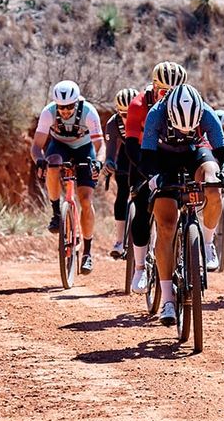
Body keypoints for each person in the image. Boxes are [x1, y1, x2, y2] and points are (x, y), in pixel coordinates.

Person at [142, 84, 224, 326]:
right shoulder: (156, 114)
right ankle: (168, 300)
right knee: (167, 224)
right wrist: (154, 178)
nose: (185, 130)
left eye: (190, 126)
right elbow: (147, 158)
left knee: (213, 184)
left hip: (195, 152)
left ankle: (207, 241)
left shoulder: (206, 113)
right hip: (163, 157)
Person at [122, 61, 188, 294]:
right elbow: (130, 144)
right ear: (153, 88)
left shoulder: (186, 103)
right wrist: (147, 174)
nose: (167, 97)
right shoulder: (139, 103)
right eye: (163, 92)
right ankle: (140, 266)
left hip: (171, 154)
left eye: (173, 93)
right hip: (142, 156)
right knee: (141, 207)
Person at [30, 80, 106, 275]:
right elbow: (36, 146)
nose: (65, 111)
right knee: (53, 163)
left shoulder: (89, 112)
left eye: (69, 107)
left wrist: (98, 162)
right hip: (59, 146)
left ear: (77, 103)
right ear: (56, 105)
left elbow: (100, 145)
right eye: (61, 107)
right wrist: (40, 161)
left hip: (84, 148)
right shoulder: (48, 113)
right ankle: (56, 213)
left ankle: (88, 252)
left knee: (86, 200)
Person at [104, 87, 140, 260]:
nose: (127, 119)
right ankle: (119, 241)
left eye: (131, 114)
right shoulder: (112, 124)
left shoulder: (148, 117)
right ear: (118, 112)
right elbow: (110, 153)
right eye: (123, 115)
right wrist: (109, 163)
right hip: (126, 154)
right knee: (122, 193)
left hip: (144, 151)